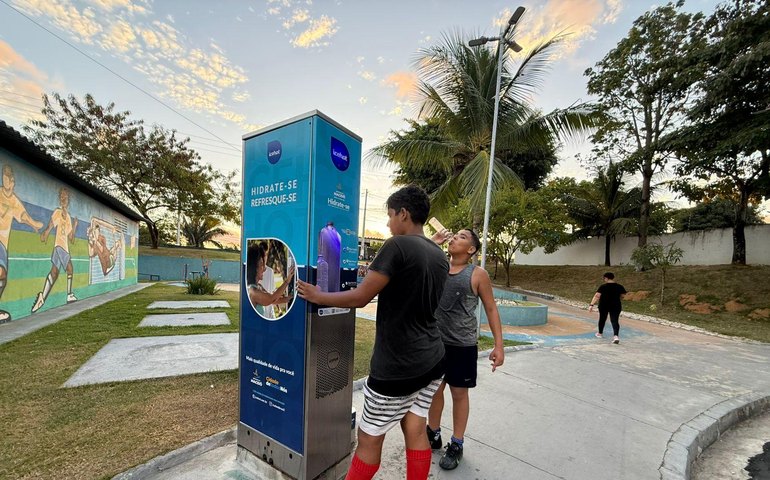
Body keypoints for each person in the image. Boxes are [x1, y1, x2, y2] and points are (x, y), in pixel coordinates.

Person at [297, 185, 448, 480]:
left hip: (398, 366)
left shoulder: (397, 245)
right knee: (416, 428)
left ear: (403, 214)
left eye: (390, 215)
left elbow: (360, 297)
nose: (389, 223)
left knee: (368, 440)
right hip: (432, 360)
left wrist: (318, 295)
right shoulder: (437, 253)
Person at [426, 228, 505, 470]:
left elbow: (491, 308)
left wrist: (498, 346)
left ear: (471, 249)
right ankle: (433, 432)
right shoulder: (437, 264)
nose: (454, 238)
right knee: (434, 390)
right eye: (454, 235)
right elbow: (415, 259)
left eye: (461, 237)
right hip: (434, 342)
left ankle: (457, 443)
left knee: (459, 394)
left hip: (462, 345)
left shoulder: (477, 274)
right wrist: (433, 242)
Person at [1, 164, 44, 322]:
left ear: (13, 182)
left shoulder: (14, 201)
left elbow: (23, 215)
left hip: (3, 244)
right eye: (5, 177)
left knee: (3, 275)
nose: (7, 180)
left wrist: (34, 224)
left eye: (9, 178)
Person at [32, 188, 78, 313]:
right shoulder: (57, 212)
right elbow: (50, 225)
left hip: (64, 247)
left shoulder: (68, 217)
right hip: (60, 246)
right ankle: (69, 295)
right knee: (70, 268)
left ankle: (42, 297)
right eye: (61, 197)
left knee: (54, 273)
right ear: (59, 199)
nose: (63, 199)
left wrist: (74, 226)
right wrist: (45, 234)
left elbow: (71, 238)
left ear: (68, 200)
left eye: (65, 197)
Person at [246, 242, 294, 317]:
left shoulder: (258, 286)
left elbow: (274, 299)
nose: (264, 268)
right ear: (255, 268)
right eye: (261, 264)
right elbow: (271, 298)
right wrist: (287, 281)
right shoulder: (253, 292)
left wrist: (288, 299)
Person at [588, 272, 627, 344]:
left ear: (606, 278)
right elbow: (623, 295)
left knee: (602, 318)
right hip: (616, 305)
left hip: (604, 305)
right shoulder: (619, 286)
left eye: (604, 278)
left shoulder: (603, 286)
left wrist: (591, 305)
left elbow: (597, 296)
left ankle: (600, 333)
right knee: (615, 320)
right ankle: (616, 336)